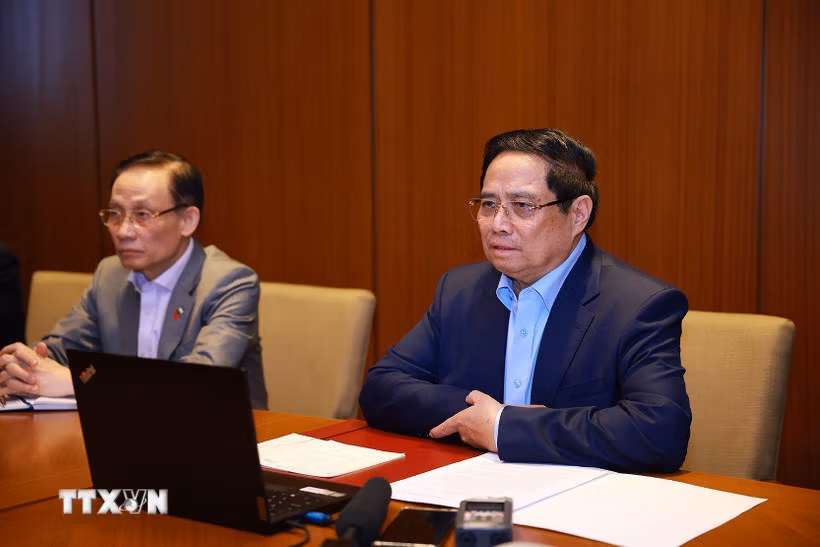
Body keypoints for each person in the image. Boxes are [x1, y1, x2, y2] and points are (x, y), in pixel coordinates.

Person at [359, 128, 691, 473]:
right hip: (470, 484)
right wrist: (482, 419)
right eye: (489, 204)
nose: (498, 224)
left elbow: (660, 432)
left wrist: (505, 426)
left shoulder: (638, 305)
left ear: (578, 213)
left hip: (577, 497)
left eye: (522, 206)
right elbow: (382, 388)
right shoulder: (459, 289)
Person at [0, 151, 267, 409]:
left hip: (218, 433)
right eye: (115, 214)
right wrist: (24, 366)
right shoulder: (110, 275)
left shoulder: (230, 283)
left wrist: (75, 381)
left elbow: (198, 383)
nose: (123, 231)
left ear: (187, 220)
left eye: (142, 215)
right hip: (126, 429)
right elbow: (61, 350)